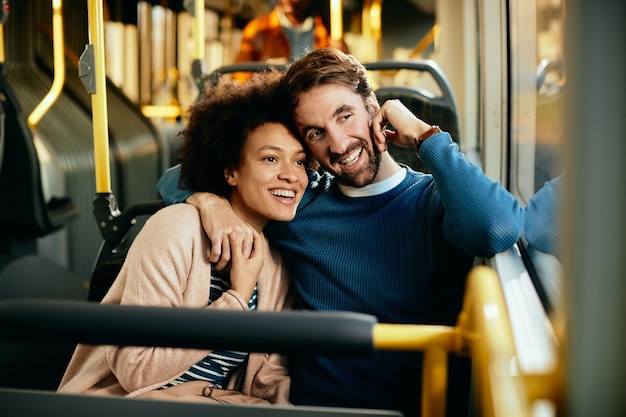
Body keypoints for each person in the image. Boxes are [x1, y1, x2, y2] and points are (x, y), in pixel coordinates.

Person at [157, 48, 524, 417]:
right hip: (307, 409)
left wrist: (422, 135)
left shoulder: (433, 202)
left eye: (344, 116)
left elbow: (497, 227)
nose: (338, 144)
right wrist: (209, 202)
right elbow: (172, 180)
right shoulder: (299, 203)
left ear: (372, 106)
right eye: (316, 132)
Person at [57, 72, 309, 405]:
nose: (290, 175)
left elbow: (265, 378)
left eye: (301, 161)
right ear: (230, 170)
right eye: (270, 158)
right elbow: (136, 370)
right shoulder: (175, 230)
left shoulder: (275, 264)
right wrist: (236, 299)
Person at [235, 0, 349, 64]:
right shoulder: (257, 30)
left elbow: (344, 75)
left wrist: (343, 57)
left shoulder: (330, 30)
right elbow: (241, 77)